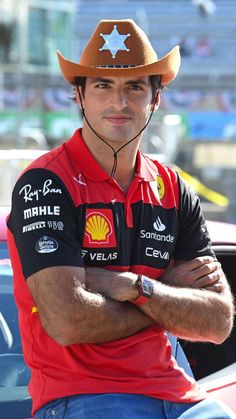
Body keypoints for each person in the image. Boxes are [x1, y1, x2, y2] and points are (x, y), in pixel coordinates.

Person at [7, 19, 234, 419]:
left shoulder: (172, 188)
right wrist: (166, 294)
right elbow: (68, 322)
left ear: (156, 98)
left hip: (182, 398)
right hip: (83, 398)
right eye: (102, 86)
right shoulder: (43, 183)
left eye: (134, 86)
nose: (119, 102)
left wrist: (135, 286)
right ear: (78, 96)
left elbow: (217, 321)